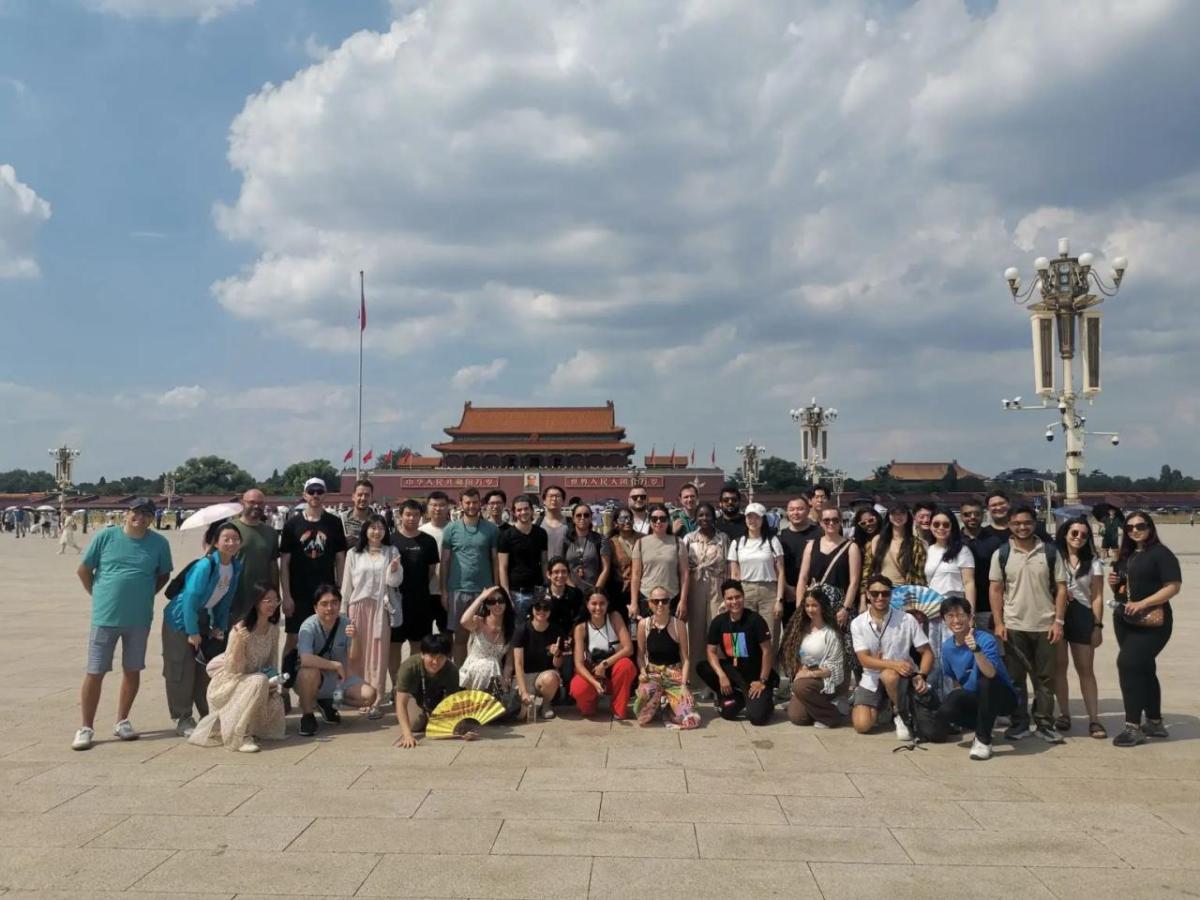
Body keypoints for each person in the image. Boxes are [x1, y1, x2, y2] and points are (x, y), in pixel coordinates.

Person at [73, 498, 173, 750]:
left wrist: (145, 593)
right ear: (126, 514)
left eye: (147, 514)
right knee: (95, 671)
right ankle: (86, 726)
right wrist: (98, 594)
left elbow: (163, 575)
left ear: (153, 518)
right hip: (105, 616)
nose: (141, 517)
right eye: (136, 512)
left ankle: (122, 720)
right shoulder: (106, 537)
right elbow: (84, 570)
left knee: (132, 669)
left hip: (139, 618)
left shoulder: (159, 543)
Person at [988, 504, 1068, 744]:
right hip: (1014, 625)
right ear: (1010, 526)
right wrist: (999, 622)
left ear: (1035, 523)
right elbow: (995, 589)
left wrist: (1058, 621)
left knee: (1045, 678)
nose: (1022, 527)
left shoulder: (1050, 552)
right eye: (1016, 523)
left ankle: (1044, 722)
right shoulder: (1002, 554)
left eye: (1027, 523)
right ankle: (1019, 722)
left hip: (1045, 625)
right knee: (1016, 678)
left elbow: (1061, 588)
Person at [1108, 511, 1182, 747]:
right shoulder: (1127, 555)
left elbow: (1173, 586)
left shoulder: (1161, 553)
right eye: (1130, 528)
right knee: (1144, 669)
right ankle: (1155, 722)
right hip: (1125, 619)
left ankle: (1133, 727)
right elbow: (1123, 590)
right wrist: (1115, 583)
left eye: (1140, 526)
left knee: (1128, 664)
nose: (1135, 530)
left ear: (1150, 527)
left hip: (1153, 621)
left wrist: (1144, 602)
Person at [162, 521, 243, 736]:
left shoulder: (235, 567)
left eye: (235, 539)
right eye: (226, 538)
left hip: (203, 617)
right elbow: (189, 599)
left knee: (203, 669)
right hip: (180, 618)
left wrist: (219, 626)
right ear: (215, 542)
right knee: (181, 667)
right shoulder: (205, 565)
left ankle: (207, 714)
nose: (231, 543)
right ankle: (182, 717)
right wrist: (192, 632)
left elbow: (226, 600)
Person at [188, 582, 286, 753]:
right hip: (230, 683)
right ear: (256, 602)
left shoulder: (273, 629)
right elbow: (234, 668)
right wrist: (240, 642)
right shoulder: (239, 629)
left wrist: (273, 681)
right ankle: (239, 735)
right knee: (258, 681)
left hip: (257, 680)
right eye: (267, 600)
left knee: (274, 697)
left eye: (275, 600)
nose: (272, 604)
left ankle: (251, 729)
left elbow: (272, 662)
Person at [280, 478, 347, 709]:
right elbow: (285, 563)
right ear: (305, 494)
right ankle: (284, 687)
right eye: (312, 491)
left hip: (325, 594)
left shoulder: (334, 523)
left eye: (320, 491)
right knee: (293, 639)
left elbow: (340, 558)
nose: (316, 495)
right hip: (299, 592)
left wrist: (340, 590)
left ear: (325, 495)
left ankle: (321, 692)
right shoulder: (292, 524)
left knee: (324, 639)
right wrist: (286, 595)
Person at [851, 575, 934, 740]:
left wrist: (922, 675)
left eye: (885, 593)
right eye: (875, 593)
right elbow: (864, 659)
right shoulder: (858, 623)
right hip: (871, 677)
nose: (880, 597)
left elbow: (927, 652)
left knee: (889, 675)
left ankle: (900, 713)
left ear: (891, 594)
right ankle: (884, 705)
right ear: (867, 594)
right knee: (862, 725)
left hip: (901, 676)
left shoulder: (907, 619)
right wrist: (893, 664)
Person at [935, 595, 1018, 760]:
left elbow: (990, 674)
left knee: (985, 682)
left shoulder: (985, 639)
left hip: (1001, 696)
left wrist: (976, 650)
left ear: (970, 617)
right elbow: (956, 681)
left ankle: (983, 740)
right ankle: (985, 721)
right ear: (944, 620)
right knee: (947, 707)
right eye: (950, 616)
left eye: (960, 615)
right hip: (975, 696)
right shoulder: (947, 647)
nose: (956, 620)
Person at [341, 514, 401, 719]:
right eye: (373, 527)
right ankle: (359, 696)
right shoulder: (353, 554)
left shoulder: (391, 551)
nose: (377, 532)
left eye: (381, 528)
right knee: (357, 653)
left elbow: (395, 582)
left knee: (378, 653)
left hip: (380, 608)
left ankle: (376, 699)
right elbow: (347, 585)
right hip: (357, 607)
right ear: (365, 530)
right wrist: (343, 611)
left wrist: (394, 570)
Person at [295, 585, 377, 737]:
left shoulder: (346, 623)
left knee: (369, 695)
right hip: (313, 679)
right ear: (315, 607)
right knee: (309, 672)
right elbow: (305, 659)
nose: (330, 608)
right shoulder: (308, 626)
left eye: (334, 603)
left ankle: (329, 703)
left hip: (338, 680)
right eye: (324, 604)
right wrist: (335, 665)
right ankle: (307, 715)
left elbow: (354, 657)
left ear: (339, 604)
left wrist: (355, 637)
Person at [1051, 516, 1105, 737]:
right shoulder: (1053, 557)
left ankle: (1094, 719)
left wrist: (1098, 625)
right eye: (1074, 533)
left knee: (1085, 669)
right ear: (1065, 534)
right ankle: (1064, 714)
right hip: (1056, 615)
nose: (1078, 538)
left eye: (1084, 535)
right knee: (1059, 667)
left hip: (1082, 615)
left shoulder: (1093, 562)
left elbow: (1097, 596)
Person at [697, 579, 776, 725]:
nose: (734, 602)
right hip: (733, 674)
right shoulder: (719, 622)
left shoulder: (755, 620)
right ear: (724, 600)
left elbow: (767, 652)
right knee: (703, 668)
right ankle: (730, 694)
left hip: (755, 677)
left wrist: (762, 681)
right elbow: (711, 651)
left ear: (743, 596)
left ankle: (765, 700)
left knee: (757, 718)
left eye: (737, 597)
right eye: (729, 598)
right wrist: (721, 675)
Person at [440, 488, 500, 666]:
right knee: (460, 639)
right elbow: (445, 561)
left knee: (488, 638)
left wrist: (496, 589)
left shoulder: (491, 529)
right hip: (458, 589)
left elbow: (495, 560)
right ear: (461, 504)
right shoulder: (451, 529)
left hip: (484, 591)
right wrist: (444, 591)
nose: (471, 506)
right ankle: (460, 678)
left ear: (480, 503)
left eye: (475, 502)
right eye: (467, 502)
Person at [779, 584, 846, 728]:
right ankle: (815, 706)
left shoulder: (831, 634)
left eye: (814, 605)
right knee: (798, 718)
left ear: (822, 606)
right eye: (807, 605)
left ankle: (831, 716)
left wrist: (809, 674)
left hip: (823, 678)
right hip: (803, 676)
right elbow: (791, 656)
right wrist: (799, 670)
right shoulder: (800, 630)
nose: (810, 609)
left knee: (801, 686)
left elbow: (834, 669)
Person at [924, 507, 976, 692]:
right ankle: (936, 699)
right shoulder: (926, 550)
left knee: (954, 654)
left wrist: (970, 614)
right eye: (936, 524)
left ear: (952, 527)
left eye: (945, 524)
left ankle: (955, 698)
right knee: (933, 656)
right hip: (931, 610)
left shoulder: (962, 551)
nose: (941, 528)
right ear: (930, 526)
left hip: (955, 609)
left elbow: (969, 583)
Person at [634, 587, 699, 729]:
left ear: (670, 603)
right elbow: (640, 656)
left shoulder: (679, 625)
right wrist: (642, 671)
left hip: (674, 675)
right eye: (655, 601)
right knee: (642, 717)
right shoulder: (643, 625)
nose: (660, 605)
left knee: (690, 720)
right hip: (652, 674)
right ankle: (658, 703)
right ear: (649, 603)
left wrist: (684, 685)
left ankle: (669, 707)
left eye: (664, 601)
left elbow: (686, 659)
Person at [390, 499, 440, 681]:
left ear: (421, 516)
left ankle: (411, 684)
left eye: (416, 515)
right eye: (408, 514)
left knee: (418, 645)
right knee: (394, 645)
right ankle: (396, 685)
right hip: (395, 602)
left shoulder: (428, 541)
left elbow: (431, 572)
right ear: (400, 516)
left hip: (420, 601)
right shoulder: (390, 540)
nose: (412, 518)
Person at [726, 502, 785, 656]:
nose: (752, 521)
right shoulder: (737, 543)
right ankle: (741, 674)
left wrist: (779, 599)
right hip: (744, 591)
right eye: (749, 517)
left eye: (756, 517)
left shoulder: (772, 542)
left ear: (762, 519)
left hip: (769, 591)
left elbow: (780, 572)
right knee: (741, 633)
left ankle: (768, 676)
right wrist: (732, 598)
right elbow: (734, 574)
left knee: (769, 636)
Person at [682, 503, 729, 693]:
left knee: (718, 633)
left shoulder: (723, 539)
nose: (704, 519)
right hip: (695, 588)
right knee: (696, 635)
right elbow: (683, 569)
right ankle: (697, 681)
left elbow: (729, 567)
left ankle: (722, 680)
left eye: (708, 515)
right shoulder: (688, 539)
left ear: (713, 516)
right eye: (700, 515)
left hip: (717, 588)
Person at [570, 591, 636, 719]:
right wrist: (594, 682)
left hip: (613, 671)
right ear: (587, 605)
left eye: (602, 603)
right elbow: (578, 663)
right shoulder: (581, 628)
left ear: (607, 604)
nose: (598, 608)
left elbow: (629, 649)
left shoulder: (614, 617)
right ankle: (590, 704)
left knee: (626, 665)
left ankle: (618, 708)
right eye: (594, 604)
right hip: (593, 672)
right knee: (579, 687)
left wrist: (604, 664)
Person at [393, 633, 463, 748]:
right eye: (431, 656)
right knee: (415, 723)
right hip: (412, 696)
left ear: (447, 657)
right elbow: (401, 703)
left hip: (437, 698)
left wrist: (461, 731)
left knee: (457, 725)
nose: (435, 662)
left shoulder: (452, 670)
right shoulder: (409, 667)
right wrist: (407, 735)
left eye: (440, 657)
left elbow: (452, 702)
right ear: (422, 655)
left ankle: (430, 715)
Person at [797, 506, 861, 627]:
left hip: (839, 608)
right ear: (820, 522)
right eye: (826, 520)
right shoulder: (811, 545)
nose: (831, 523)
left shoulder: (851, 547)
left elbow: (854, 582)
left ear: (840, 522)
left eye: (835, 520)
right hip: (814, 606)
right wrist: (800, 606)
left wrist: (845, 608)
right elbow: (803, 578)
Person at [230, 488, 279, 623]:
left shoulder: (270, 533)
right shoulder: (229, 529)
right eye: (251, 502)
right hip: (234, 596)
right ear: (242, 503)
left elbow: (273, 565)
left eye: (260, 503)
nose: (256, 506)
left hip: (261, 598)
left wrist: (276, 593)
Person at [513, 595, 565, 719]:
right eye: (538, 607)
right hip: (525, 676)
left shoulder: (556, 630)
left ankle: (546, 704)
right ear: (532, 609)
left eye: (546, 608)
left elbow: (558, 665)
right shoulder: (522, 630)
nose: (541, 611)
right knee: (521, 716)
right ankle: (533, 700)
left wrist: (557, 653)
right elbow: (518, 663)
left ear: (550, 611)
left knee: (551, 678)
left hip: (544, 676)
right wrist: (523, 690)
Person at [498, 494, 549, 616]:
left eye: (526, 509)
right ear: (514, 513)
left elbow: (544, 562)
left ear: (532, 510)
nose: (523, 512)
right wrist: (506, 593)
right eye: (519, 510)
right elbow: (502, 567)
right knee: (518, 629)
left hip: (537, 589)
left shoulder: (541, 533)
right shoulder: (506, 535)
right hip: (516, 591)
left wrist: (547, 586)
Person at [458, 586, 515, 691]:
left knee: (492, 667)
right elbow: (464, 621)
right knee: (487, 665)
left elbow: (509, 664)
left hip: (495, 676)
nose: (497, 604)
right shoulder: (479, 622)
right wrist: (481, 598)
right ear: (487, 605)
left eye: (501, 600)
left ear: (506, 603)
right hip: (474, 671)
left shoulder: (510, 629)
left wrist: (506, 681)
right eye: (492, 601)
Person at [862, 502, 926, 595]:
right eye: (894, 513)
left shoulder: (915, 543)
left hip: (906, 593)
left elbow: (919, 575)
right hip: (881, 592)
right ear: (888, 516)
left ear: (908, 516)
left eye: (902, 513)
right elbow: (867, 571)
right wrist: (863, 597)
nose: (898, 516)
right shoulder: (878, 540)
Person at [565, 502, 612, 599]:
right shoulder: (566, 540)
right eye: (578, 515)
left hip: (594, 592)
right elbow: (562, 567)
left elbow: (606, 568)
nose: (582, 518)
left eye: (586, 515)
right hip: (571, 592)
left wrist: (596, 592)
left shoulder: (601, 540)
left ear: (591, 518)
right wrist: (572, 590)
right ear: (573, 519)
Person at [419, 490, 451, 632]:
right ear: (428, 508)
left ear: (448, 507)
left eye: (442, 505)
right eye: (434, 505)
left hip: (449, 590)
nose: (438, 508)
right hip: (426, 591)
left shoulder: (455, 529)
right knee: (424, 634)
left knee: (447, 634)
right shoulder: (420, 531)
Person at [608, 506, 640, 614]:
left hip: (642, 590)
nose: (627, 521)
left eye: (630, 518)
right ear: (615, 523)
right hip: (620, 592)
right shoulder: (611, 543)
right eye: (623, 519)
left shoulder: (643, 539)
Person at [539, 484, 569, 559]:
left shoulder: (570, 524)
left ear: (563, 501)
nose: (554, 499)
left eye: (557, 496)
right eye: (550, 496)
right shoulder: (537, 524)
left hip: (564, 569)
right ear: (544, 501)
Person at [343, 478, 375, 544]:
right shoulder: (342, 520)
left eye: (367, 495)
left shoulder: (378, 521)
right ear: (353, 497)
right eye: (360, 495)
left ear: (371, 498)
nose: (363, 498)